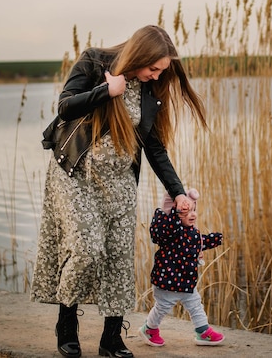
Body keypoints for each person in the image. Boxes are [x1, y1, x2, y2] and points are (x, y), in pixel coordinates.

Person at [30, 25, 207, 358]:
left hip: (120, 181)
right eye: (153, 68)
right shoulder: (94, 62)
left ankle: (112, 339)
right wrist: (106, 92)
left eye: (162, 71)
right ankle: (66, 323)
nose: (156, 76)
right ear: (139, 54)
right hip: (77, 174)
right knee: (86, 248)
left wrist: (178, 192)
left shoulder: (151, 89)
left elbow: (153, 147)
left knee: (118, 258)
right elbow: (65, 106)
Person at [139, 187, 224, 347]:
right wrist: (170, 211)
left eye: (193, 211)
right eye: (185, 213)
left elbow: (199, 242)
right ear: (175, 216)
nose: (191, 215)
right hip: (167, 280)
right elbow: (163, 228)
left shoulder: (191, 232)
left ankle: (202, 331)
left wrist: (216, 239)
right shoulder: (170, 232)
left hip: (186, 280)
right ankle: (149, 329)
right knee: (163, 306)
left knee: (195, 303)